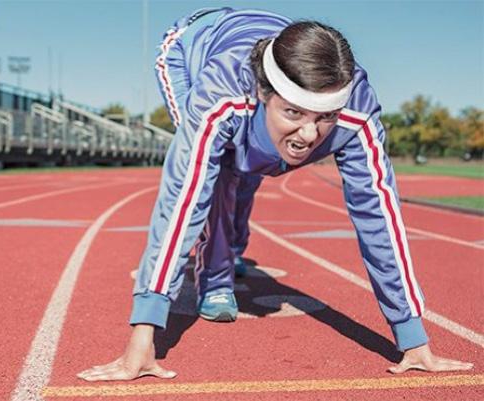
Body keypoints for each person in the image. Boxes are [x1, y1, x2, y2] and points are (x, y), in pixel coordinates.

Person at [77, 7, 473, 381]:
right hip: (192, 46)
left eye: (325, 118)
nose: (309, 135)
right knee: (217, 173)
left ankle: (232, 246)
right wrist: (144, 335)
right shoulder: (221, 93)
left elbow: (380, 217)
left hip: (268, 47)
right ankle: (215, 277)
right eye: (294, 113)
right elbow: (182, 199)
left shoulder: (357, 113)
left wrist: (413, 337)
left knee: (251, 167)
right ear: (266, 94)